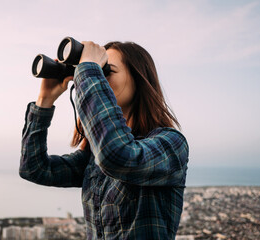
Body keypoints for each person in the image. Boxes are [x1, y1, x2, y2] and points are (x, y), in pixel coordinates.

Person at [20, 40, 189, 239]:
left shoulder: (171, 143)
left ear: (139, 79)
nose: (97, 78)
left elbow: (117, 154)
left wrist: (88, 70)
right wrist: (44, 101)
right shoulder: (93, 157)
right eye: (96, 72)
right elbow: (34, 168)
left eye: (105, 71)